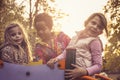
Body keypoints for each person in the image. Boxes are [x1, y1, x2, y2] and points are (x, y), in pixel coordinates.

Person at [47, 12, 108, 80]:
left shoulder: (94, 42)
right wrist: (56, 59)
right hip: (70, 75)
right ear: (87, 22)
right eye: (93, 23)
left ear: (100, 32)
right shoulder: (74, 38)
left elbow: (98, 66)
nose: (95, 27)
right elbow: (65, 53)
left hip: (85, 78)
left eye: (99, 27)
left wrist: (84, 71)